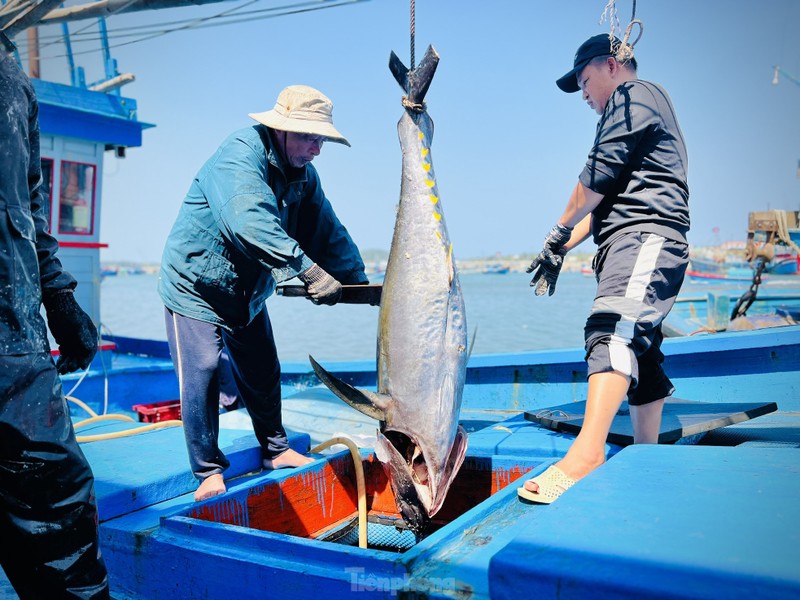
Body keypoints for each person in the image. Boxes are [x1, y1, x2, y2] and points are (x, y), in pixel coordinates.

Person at [158, 85, 369, 502]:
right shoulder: (239, 156)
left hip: (247, 289)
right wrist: (307, 271)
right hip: (195, 284)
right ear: (282, 130)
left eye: (322, 139)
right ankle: (207, 472)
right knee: (200, 372)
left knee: (262, 367)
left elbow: (327, 230)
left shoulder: (304, 177)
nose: (317, 149)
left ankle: (276, 450)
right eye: (311, 137)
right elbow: (248, 221)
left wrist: (359, 284)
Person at [519, 34, 690, 503]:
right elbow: (601, 201)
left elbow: (593, 178)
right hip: (631, 240)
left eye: (584, 79)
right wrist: (559, 249)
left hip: (644, 237)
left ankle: (588, 453)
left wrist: (557, 229)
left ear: (612, 64)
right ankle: (647, 453)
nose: (583, 94)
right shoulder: (634, 109)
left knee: (611, 331)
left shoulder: (634, 97)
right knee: (641, 351)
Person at [0, 34, 110, 598]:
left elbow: (27, 197)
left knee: (59, 509)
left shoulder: (10, 71)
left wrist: (59, 299)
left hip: (16, 344)